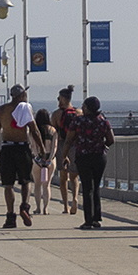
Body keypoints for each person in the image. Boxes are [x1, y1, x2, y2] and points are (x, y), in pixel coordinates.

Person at [0, 84, 42, 229]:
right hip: (22, 148)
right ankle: (25, 206)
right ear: (21, 96)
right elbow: (34, 131)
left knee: (8, 185)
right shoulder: (25, 108)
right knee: (26, 181)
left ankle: (10, 217)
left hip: (7, 148)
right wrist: (41, 149)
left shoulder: (2, 110)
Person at [68, 95, 113, 228]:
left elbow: (69, 140)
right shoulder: (103, 121)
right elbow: (111, 140)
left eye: (84, 106)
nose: (82, 107)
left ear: (87, 108)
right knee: (96, 186)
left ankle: (88, 220)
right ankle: (96, 218)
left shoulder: (78, 121)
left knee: (87, 187)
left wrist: (65, 154)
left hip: (83, 157)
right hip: (99, 157)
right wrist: (103, 145)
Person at [52, 87, 82, 215]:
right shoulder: (79, 112)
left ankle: (65, 206)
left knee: (63, 176)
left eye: (59, 98)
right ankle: (75, 198)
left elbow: (53, 132)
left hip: (62, 145)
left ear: (63, 98)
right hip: (76, 145)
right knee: (74, 176)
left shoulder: (56, 114)